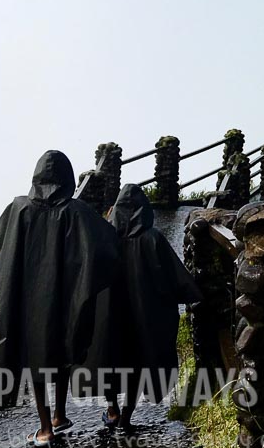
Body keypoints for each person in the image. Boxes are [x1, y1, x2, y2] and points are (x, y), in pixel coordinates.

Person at [0, 150, 119, 448]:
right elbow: (108, 243)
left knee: (37, 360)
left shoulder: (18, 209)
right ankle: (60, 415)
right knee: (61, 353)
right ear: (68, 179)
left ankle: (46, 426)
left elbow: (2, 248)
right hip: (65, 300)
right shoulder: (78, 211)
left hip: (28, 303)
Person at [85, 183, 200, 431]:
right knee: (139, 364)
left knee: (109, 360)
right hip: (143, 318)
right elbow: (176, 278)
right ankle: (127, 415)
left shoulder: (105, 239)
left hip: (110, 318)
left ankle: (112, 409)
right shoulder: (153, 238)